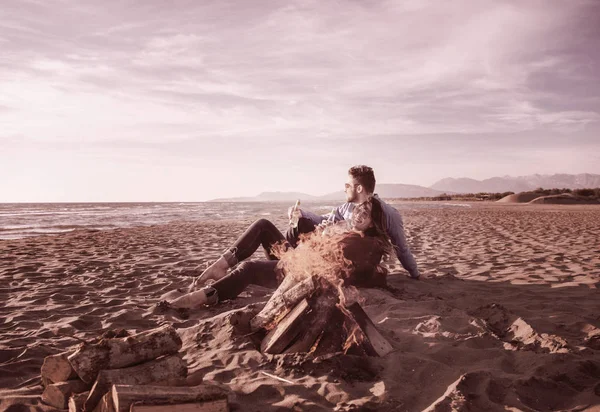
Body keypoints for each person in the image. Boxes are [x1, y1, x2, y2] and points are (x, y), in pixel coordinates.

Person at [167, 197, 392, 309]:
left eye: (367, 212)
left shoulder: (367, 241)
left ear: (375, 221)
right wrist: (319, 234)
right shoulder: (350, 230)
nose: (359, 214)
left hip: (302, 274)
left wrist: (321, 239)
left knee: (250, 268)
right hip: (299, 260)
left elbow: (339, 265)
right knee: (263, 224)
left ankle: (204, 297)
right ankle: (221, 265)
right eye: (359, 209)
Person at [291, 165, 420, 279]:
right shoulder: (347, 207)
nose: (344, 189)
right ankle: (290, 261)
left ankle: (290, 264)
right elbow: (324, 218)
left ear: (358, 189)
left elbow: (402, 249)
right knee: (301, 224)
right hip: (337, 256)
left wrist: (415, 273)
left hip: (355, 263)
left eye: (347, 186)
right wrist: (301, 213)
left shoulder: (389, 213)